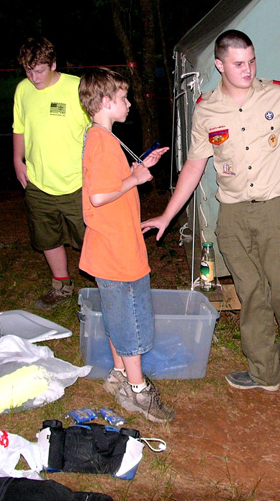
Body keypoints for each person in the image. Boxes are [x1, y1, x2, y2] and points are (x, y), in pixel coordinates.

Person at [142, 30, 280, 397]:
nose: (247, 69)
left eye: (251, 61)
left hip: (277, 210)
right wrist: (168, 216)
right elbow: (194, 166)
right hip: (232, 216)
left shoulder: (277, 96)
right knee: (252, 295)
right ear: (219, 65)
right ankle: (263, 371)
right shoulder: (206, 109)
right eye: (238, 63)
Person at [78, 67, 173, 423]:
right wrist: (134, 178)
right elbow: (100, 195)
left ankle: (119, 375)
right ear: (105, 102)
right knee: (132, 320)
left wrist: (136, 170)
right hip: (116, 251)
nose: (130, 103)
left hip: (113, 247)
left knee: (119, 315)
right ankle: (137, 391)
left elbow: (109, 183)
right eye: (123, 98)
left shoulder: (101, 138)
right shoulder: (102, 141)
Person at [12, 37, 90, 309]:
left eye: (40, 71)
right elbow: (19, 127)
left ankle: (107, 288)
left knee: (91, 239)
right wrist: (17, 160)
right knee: (47, 237)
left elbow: (98, 129)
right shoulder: (23, 89)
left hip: (77, 182)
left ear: (54, 64)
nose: (34, 77)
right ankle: (61, 285)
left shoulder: (77, 87)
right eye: (28, 71)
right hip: (38, 182)